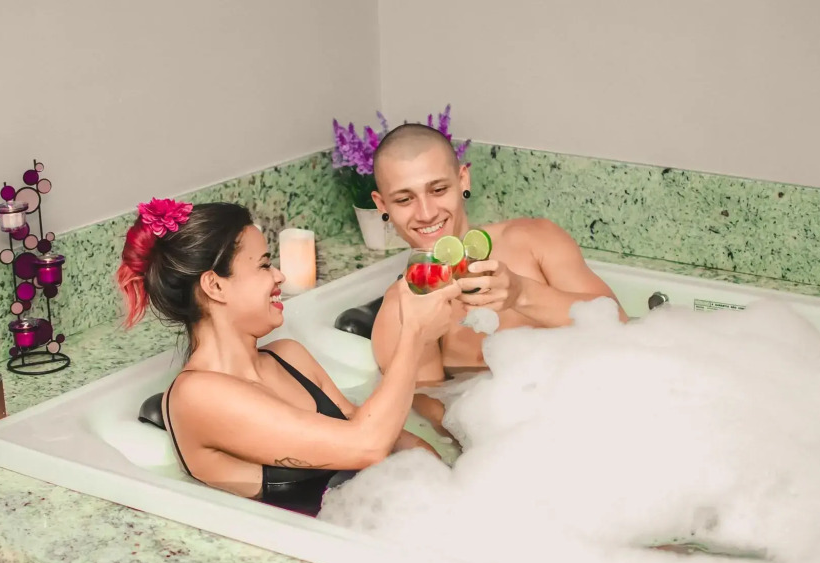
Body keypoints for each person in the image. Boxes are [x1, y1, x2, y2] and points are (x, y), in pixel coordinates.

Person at [117, 198, 460, 515]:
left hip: (401, 521)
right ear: (215, 286)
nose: (278, 276)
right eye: (264, 265)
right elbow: (367, 445)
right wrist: (413, 335)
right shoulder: (197, 396)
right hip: (325, 549)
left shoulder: (288, 356)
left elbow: (387, 435)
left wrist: (450, 486)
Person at [369, 123, 628, 432]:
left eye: (438, 190)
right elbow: (438, 415)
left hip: (607, 407)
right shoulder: (400, 311)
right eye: (404, 200)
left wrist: (522, 293)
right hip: (512, 442)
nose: (426, 213)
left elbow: (622, 327)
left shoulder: (533, 241)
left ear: (462, 180)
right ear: (382, 205)